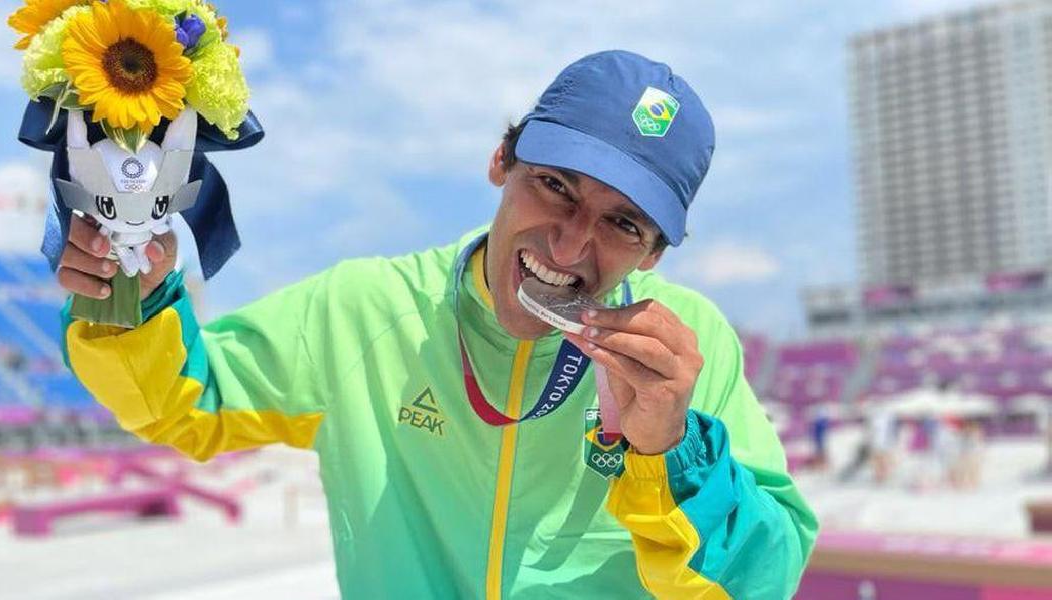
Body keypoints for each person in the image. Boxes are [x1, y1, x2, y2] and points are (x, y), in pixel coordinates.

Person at [55, 51, 817, 599]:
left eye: (623, 223)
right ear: (501, 162)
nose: (570, 245)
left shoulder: (690, 347)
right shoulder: (362, 311)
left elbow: (765, 581)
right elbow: (190, 402)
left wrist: (673, 450)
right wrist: (134, 299)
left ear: (653, 251)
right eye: (555, 186)